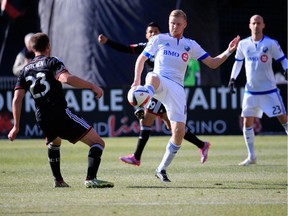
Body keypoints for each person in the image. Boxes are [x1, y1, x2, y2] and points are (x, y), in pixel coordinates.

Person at [131, 9, 240, 182]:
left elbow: (212, 63)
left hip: (177, 89)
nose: (174, 26)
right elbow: (141, 59)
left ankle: (161, 169)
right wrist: (136, 81)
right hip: (160, 80)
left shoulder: (190, 44)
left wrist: (228, 51)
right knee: (151, 77)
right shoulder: (159, 39)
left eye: (178, 24)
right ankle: (140, 101)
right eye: (172, 23)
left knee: (179, 132)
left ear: (185, 25)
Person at [8, 32, 114, 188]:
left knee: (55, 141)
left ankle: (58, 180)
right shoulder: (51, 61)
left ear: (31, 48)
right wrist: (92, 86)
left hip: (42, 117)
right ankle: (91, 178)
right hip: (59, 113)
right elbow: (66, 79)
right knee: (98, 143)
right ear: (48, 46)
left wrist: (16, 125)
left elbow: (17, 99)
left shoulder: (25, 70)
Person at [99, 22, 212, 166]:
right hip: (154, 89)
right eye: (150, 32)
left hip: (163, 88)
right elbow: (126, 49)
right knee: (168, 126)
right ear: (146, 35)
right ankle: (202, 145)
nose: (153, 34)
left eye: (156, 31)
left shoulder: (165, 44)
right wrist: (108, 42)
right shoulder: (144, 47)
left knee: (153, 122)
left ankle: (137, 156)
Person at [228, 14, 288, 166]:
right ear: (249, 25)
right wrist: (232, 79)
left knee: (284, 119)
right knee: (247, 121)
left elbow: (283, 59)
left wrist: (286, 69)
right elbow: (238, 63)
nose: (256, 25)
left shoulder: (271, 43)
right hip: (251, 91)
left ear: (263, 25)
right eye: (253, 23)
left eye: (258, 23)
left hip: (269, 91)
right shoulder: (243, 44)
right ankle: (251, 156)